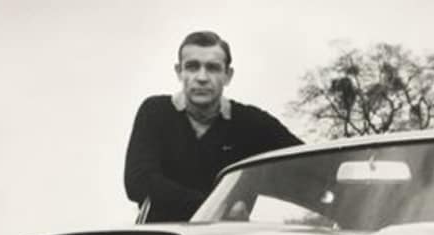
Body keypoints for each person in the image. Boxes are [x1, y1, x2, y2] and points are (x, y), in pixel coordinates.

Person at [124, 31, 302, 223]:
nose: (202, 77)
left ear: (228, 75)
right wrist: (219, 207)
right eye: (192, 67)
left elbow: (306, 163)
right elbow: (138, 181)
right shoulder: (155, 111)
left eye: (213, 68)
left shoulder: (251, 122)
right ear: (179, 72)